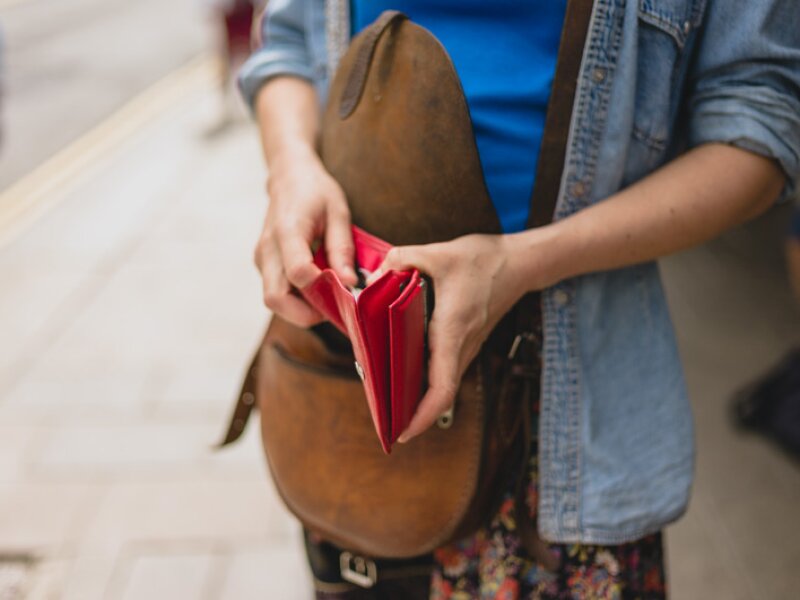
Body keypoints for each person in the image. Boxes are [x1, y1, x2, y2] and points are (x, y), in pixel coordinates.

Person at [238, 0, 800, 597]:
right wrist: (292, 168)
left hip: (565, 422)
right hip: (352, 383)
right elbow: (288, 41)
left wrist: (523, 262)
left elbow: (761, 124)